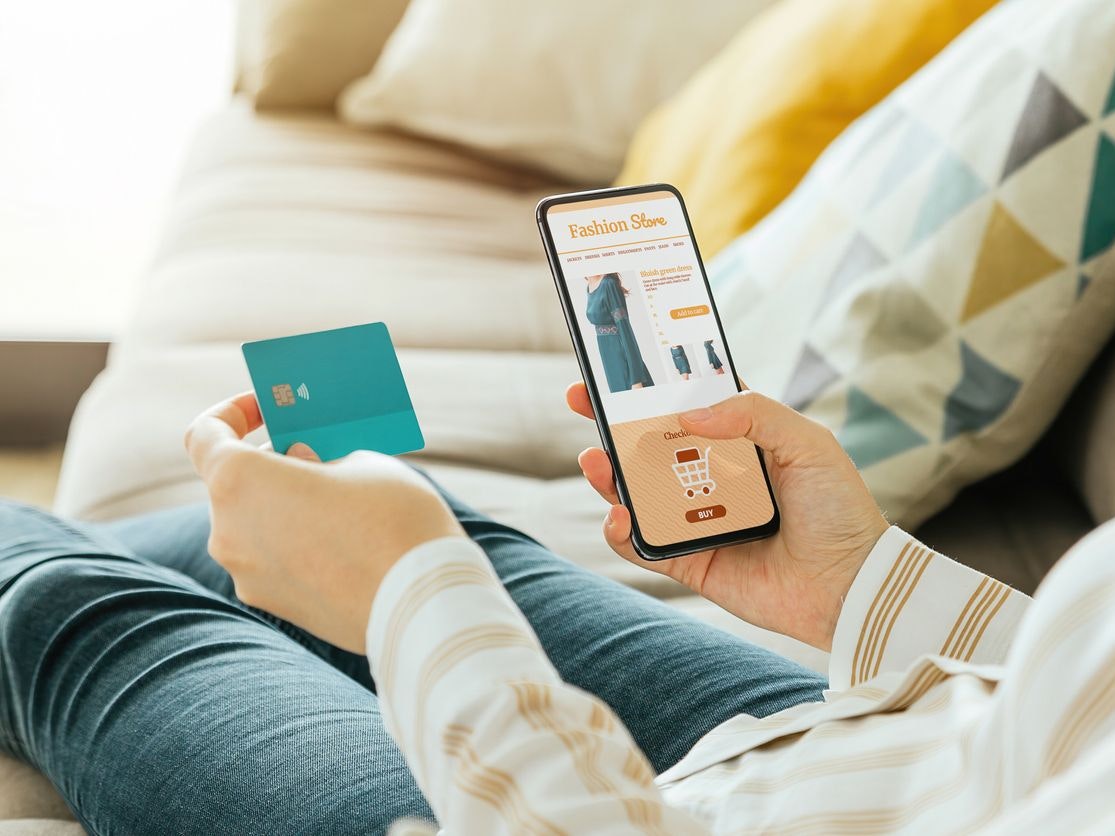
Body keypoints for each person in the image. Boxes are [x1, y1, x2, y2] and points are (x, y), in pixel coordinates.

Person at [0, 384, 1111, 834]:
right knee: (332, 517)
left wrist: (410, 589)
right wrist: (869, 583)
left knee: (55, 605)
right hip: (916, 753)